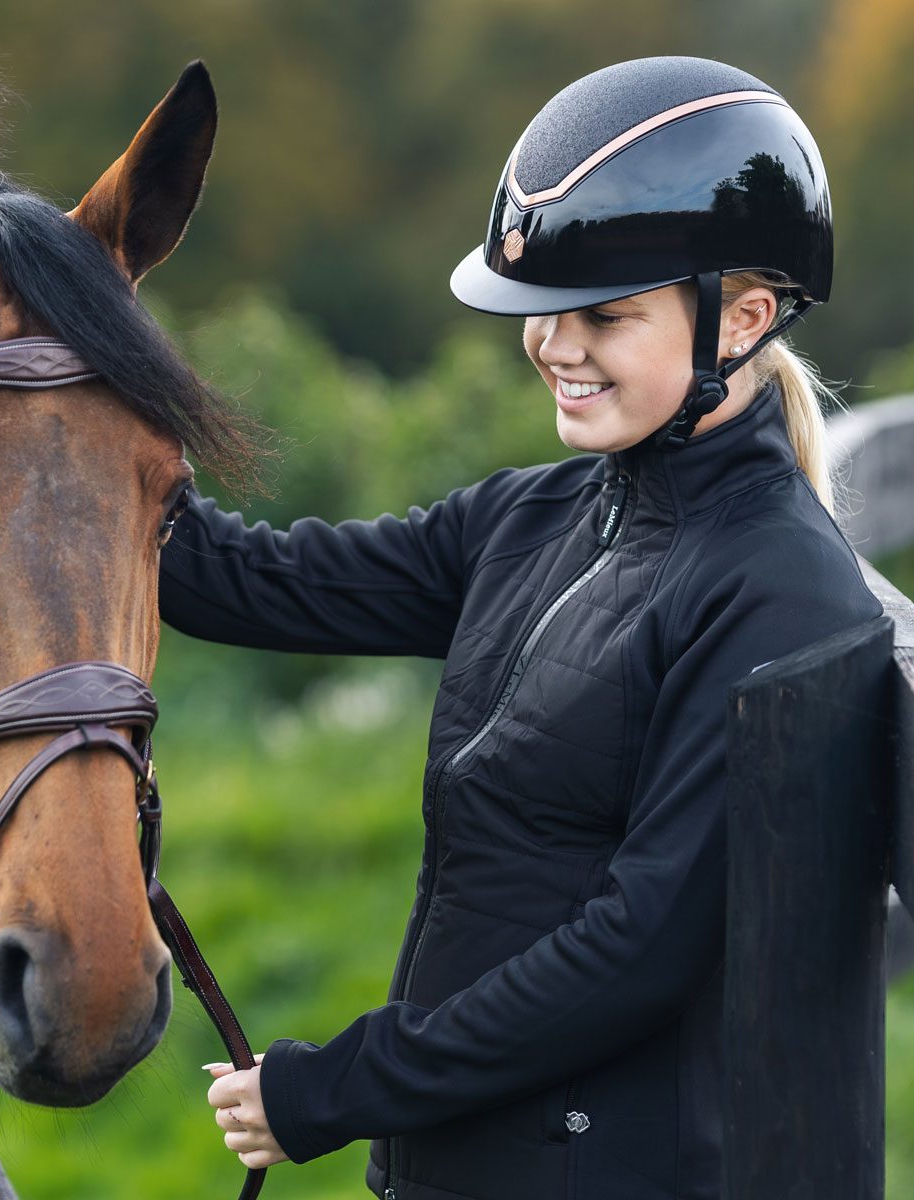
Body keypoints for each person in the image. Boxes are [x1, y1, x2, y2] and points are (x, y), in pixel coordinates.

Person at [165, 56, 884, 1200]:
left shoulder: (781, 598)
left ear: (742, 319)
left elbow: (636, 950)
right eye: (546, 311)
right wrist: (61, 412)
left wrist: (342, 1085)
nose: (555, 345)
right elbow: (254, 582)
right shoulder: (532, 515)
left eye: (604, 316)